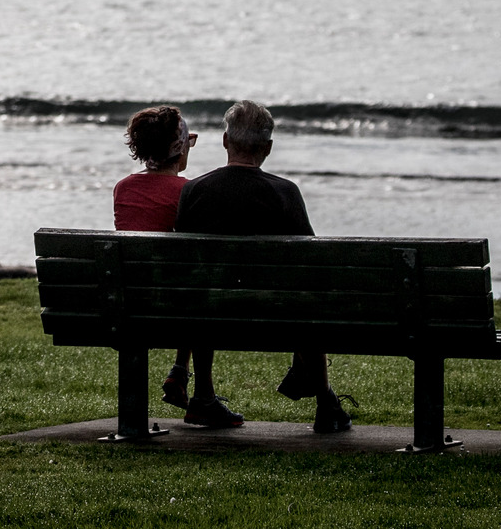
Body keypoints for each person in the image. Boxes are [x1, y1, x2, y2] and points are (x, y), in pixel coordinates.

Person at [173, 99, 355, 433]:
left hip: (207, 316)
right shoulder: (284, 193)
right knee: (307, 300)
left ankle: (203, 394)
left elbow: (189, 269)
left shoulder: (194, 191)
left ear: (226, 141)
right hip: (278, 319)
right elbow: (311, 267)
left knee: (203, 292)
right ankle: (325, 402)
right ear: (268, 148)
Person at [112, 105, 196, 408]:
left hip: (126, 308)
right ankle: (183, 374)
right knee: (195, 288)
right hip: (175, 310)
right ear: (180, 149)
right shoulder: (188, 191)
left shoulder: (123, 189)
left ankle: (178, 374)